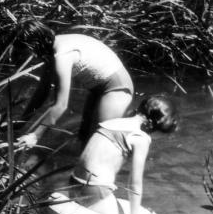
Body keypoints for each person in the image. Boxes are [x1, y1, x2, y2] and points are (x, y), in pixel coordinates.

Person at [57, 95, 178, 214]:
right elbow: (135, 184)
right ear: (158, 127)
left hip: (74, 183)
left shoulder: (113, 122)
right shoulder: (140, 137)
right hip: (96, 189)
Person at [15, 20, 134, 149]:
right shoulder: (53, 48)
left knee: (102, 140)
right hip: (97, 88)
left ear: (35, 45)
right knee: (84, 137)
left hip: (117, 88)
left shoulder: (62, 55)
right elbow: (42, 92)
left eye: (25, 51)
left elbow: (61, 105)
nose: (27, 56)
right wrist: (20, 123)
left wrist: (35, 136)